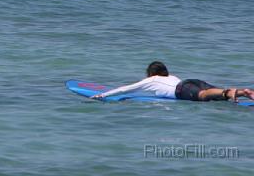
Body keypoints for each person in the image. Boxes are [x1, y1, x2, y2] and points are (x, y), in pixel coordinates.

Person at [91, 61, 254, 102]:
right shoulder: (170, 76)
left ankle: (229, 92)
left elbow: (124, 89)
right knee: (215, 95)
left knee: (204, 95)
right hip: (191, 81)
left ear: (151, 73)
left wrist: (103, 95)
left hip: (181, 89)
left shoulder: (151, 80)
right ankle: (243, 92)